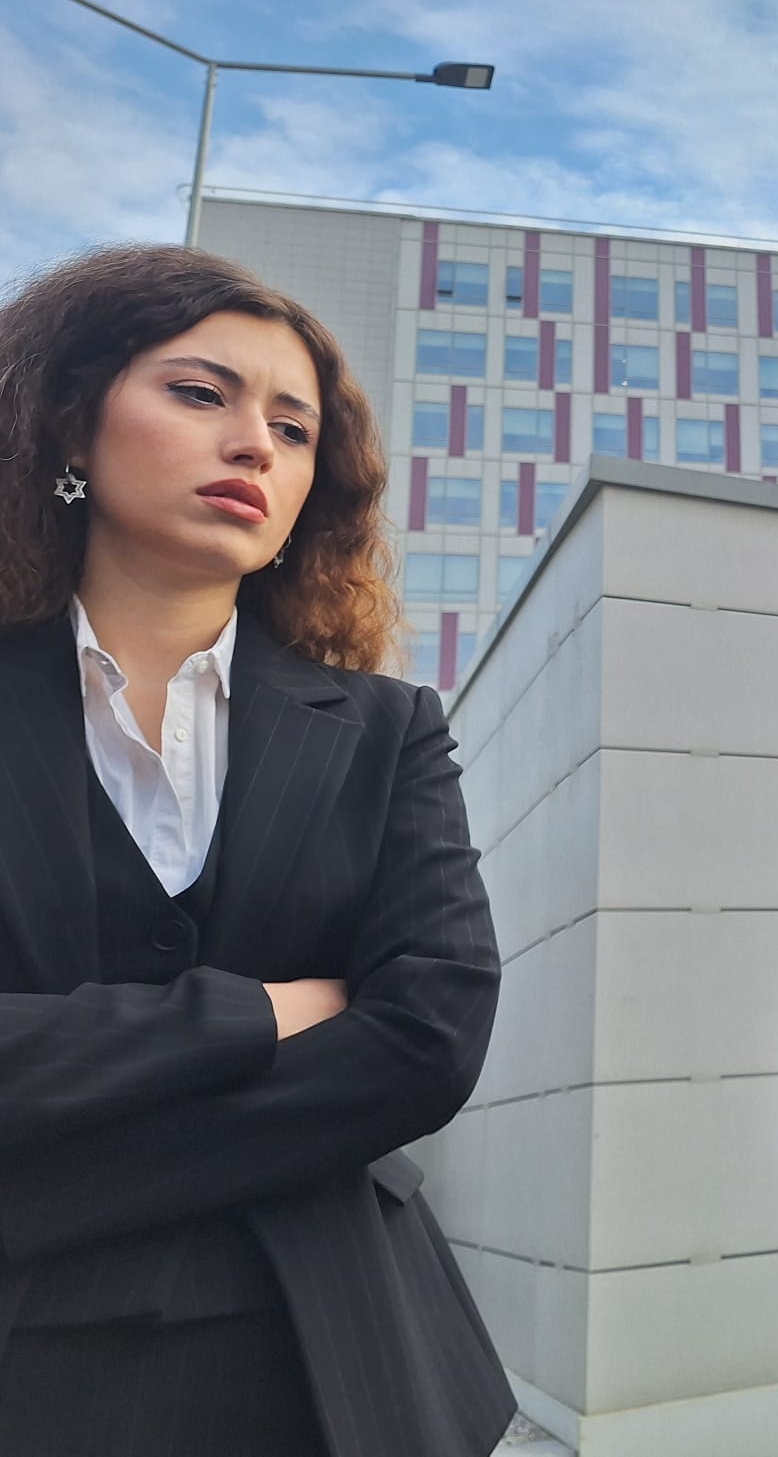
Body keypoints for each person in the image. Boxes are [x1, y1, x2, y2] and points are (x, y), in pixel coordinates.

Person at [0, 244, 513, 1457]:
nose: (255, 447)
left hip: (343, 1359)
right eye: (200, 394)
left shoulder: (387, 728)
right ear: (70, 423)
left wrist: (39, 1188)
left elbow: (430, 1039)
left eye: (294, 429)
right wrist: (255, 1015)